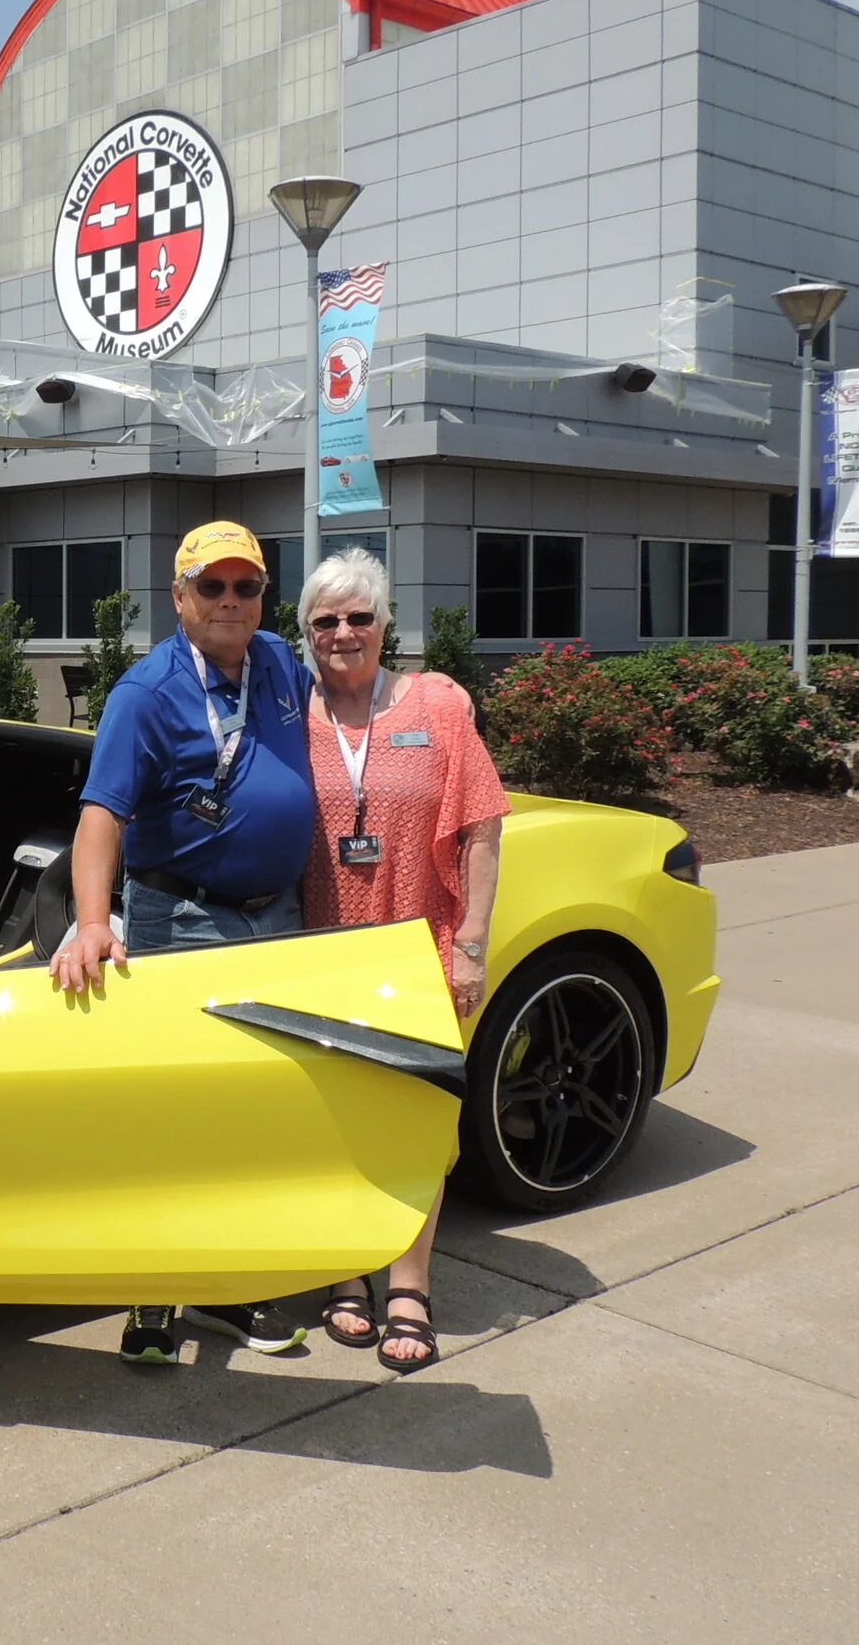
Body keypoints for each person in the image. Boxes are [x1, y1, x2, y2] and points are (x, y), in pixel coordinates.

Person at [53, 521, 319, 1365]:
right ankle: (155, 1295)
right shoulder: (146, 691)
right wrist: (95, 922)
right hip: (184, 919)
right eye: (213, 587)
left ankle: (227, 1288)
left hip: (276, 917)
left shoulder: (280, 661)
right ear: (179, 598)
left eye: (247, 586)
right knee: (172, 1111)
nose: (232, 602)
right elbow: (101, 818)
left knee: (254, 1107)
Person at [295, 547, 506, 1375]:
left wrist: (472, 944)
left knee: (416, 1115)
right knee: (335, 1113)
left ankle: (409, 1280)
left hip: (418, 942)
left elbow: (482, 825)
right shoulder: (290, 711)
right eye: (325, 620)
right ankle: (347, 1269)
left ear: (386, 625)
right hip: (318, 948)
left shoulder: (439, 707)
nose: (343, 632)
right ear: (307, 633)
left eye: (359, 617)